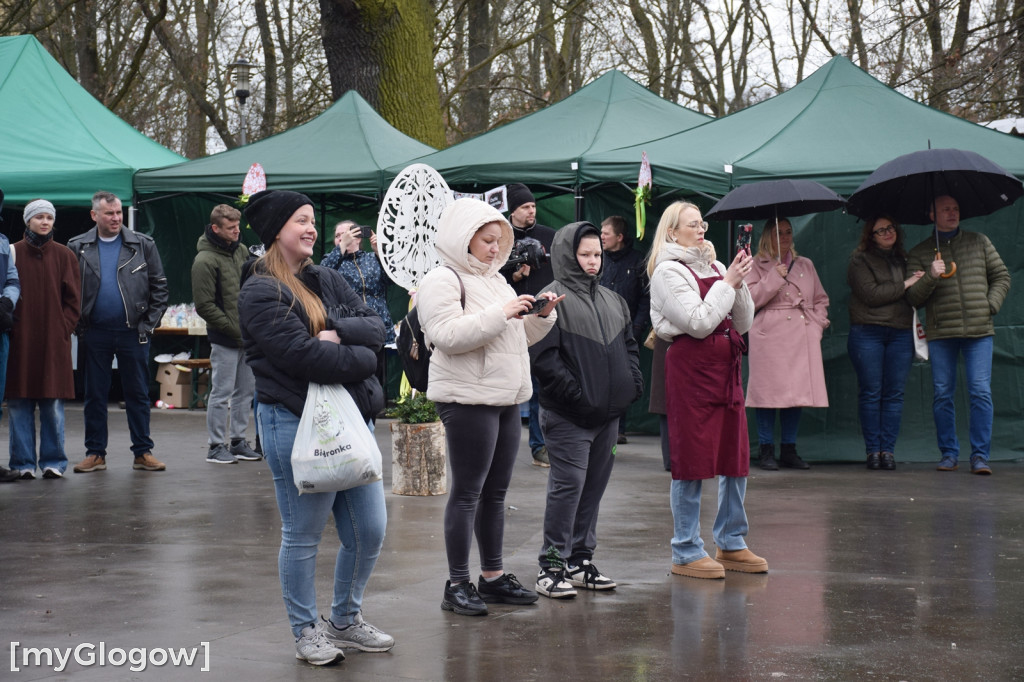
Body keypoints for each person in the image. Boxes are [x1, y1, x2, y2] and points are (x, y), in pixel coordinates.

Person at [238, 189, 393, 665]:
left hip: (349, 418)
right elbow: (306, 358)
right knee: (302, 533)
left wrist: (338, 333)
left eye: (311, 220)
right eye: (300, 221)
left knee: (370, 529)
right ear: (276, 231)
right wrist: (360, 356)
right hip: (292, 420)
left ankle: (344, 620)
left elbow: (378, 327)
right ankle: (306, 631)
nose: (311, 228)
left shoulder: (325, 276)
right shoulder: (259, 291)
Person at [417, 197, 561, 616]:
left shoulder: (496, 281)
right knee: (467, 493)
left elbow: (514, 338)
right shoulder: (441, 279)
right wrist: (503, 312)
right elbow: (446, 335)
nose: (496, 248)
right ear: (463, 238)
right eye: (487, 240)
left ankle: (492, 577)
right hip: (466, 399)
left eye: (499, 240)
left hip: (505, 397)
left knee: (495, 494)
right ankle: (457, 583)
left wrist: (540, 316)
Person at [648, 201, 766, 580]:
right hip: (691, 371)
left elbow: (742, 323)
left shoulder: (716, 267)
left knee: (735, 455)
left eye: (702, 224)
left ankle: (731, 541)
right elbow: (698, 323)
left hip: (726, 370)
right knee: (692, 459)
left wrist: (738, 283)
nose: (701, 230)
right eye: (693, 225)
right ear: (672, 232)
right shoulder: (667, 271)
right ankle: (685, 549)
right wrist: (727, 284)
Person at [529, 222, 642, 598]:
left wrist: (631, 386)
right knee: (568, 489)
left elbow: (630, 347)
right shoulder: (550, 297)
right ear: (567, 255)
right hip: (568, 417)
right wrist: (576, 396)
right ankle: (551, 567)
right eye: (585, 254)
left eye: (597, 254)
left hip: (608, 418)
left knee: (592, 489)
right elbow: (543, 359)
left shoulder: (614, 301)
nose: (593, 261)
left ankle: (579, 561)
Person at [906, 195, 1010, 475]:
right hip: (942, 333)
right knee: (942, 393)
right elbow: (913, 297)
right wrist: (931, 275)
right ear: (932, 215)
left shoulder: (979, 241)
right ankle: (949, 454)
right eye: (945, 209)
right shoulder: (919, 252)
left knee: (980, 392)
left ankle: (980, 457)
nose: (952, 213)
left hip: (979, 331)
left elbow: (1002, 276)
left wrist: (990, 305)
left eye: (955, 209)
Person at [69, 191, 168, 474]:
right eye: (109, 213)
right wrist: (77, 325)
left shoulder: (143, 244)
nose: (116, 218)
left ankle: (143, 452)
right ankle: (95, 453)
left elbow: (160, 288)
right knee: (94, 395)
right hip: (94, 332)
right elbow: (68, 290)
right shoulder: (77, 246)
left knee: (137, 394)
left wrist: (147, 326)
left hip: (133, 333)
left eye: (119, 213)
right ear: (94, 215)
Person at [745, 217, 829, 471]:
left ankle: (789, 450)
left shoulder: (805, 264)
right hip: (768, 336)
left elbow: (820, 299)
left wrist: (817, 325)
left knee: (796, 394)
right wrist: (773, 277)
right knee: (767, 395)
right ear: (767, 237)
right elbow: (748, 301)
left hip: (802, 334)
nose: (784, 237)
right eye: (778, 233)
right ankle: (766, 450)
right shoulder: (755, 264)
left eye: (788, 232)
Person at [6, 200, 76, 479]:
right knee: (18, 404)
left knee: (53, 404)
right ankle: (22, 464)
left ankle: (53, 461)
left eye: (49, 217)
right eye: (39, 217)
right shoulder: (11, 253)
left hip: (53, 342)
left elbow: (74, 300)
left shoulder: (64, 255)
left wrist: (63, 328)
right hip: (19, 340)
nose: (45, 222)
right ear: (28, 221)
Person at [847, 216, 924, 470]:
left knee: (894, 394)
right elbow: (871, 295)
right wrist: (907, 283)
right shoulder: (859, 260)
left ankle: (888, 451)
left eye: (890, 228)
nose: (887, 232)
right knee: (871, 392)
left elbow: (915, 295)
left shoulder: (906, 259)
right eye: (880, 230)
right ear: (870, 236)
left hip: (901, 333)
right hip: (868, 332)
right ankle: (873, 451)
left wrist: (927, 279)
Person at [191, 204, 260, 465]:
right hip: (225, 338)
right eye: (231, 227)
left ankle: (238, 441)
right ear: (216, 228)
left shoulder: (241, 250)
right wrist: (235, 329)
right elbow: (204, 306)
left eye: (237, 226)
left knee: (245, 392)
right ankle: (215, 445)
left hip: (247, 336)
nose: (237, 231)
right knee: (221, 393)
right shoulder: (204, 260)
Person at [503, 183, 556, 467]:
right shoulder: (500, 238)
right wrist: (514, 276)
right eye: (525, 207)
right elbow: (490, 275)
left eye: (533, 206)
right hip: (510, 323)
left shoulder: (549, 236)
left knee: (542, 386)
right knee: (511, 387)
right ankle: (501, 445)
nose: (531, 211)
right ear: (513, 210)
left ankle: (540, 445)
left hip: (542, 321)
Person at [321, 220, 395, 395]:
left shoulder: (372, 258)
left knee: (377, 376)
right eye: (337, 236)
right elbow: (321, 275)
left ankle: (376, 407)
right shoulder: (332, 259)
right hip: (350, 327)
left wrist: (379, 253)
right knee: (355, 376)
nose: (341, 238)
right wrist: (341, 247)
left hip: (377, 325)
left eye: (346, 234)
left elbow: (391, 279)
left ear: (358, 237)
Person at [599, 215, 650, 444]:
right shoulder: (597, 259)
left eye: (606, 233)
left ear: (619, 237)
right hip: (598, 328)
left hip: (627, 331)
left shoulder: (638, 261)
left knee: (623, 379)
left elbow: (646, 298)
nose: (601, 237)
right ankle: (600, 425)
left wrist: (637, 327)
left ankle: (619, 428)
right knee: (599, 376)